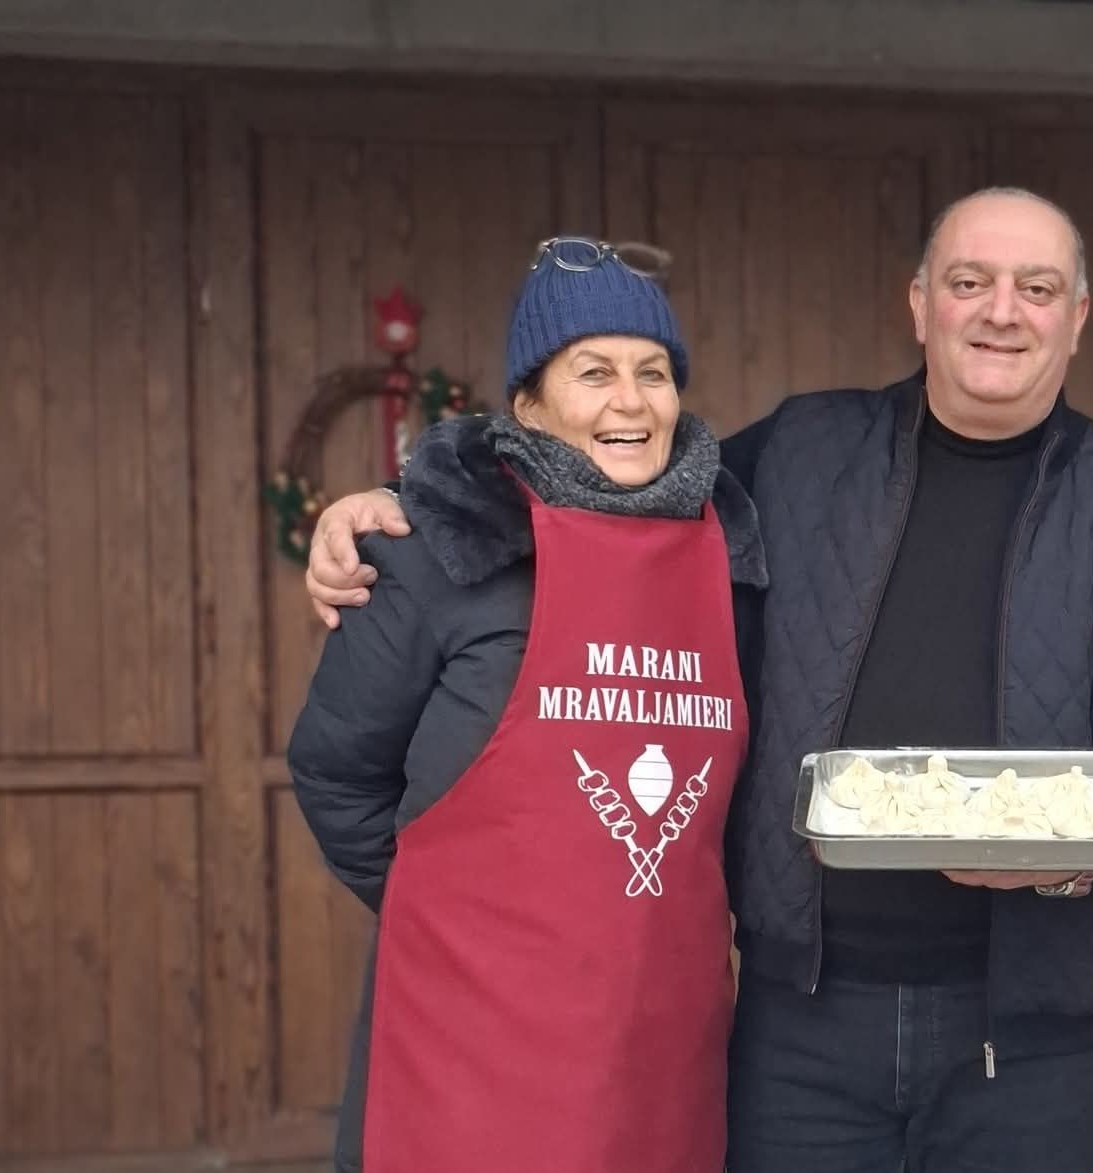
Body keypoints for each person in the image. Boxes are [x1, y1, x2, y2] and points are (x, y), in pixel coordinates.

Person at [303, 188, 1093, 1173]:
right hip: (804, 1024)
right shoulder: (799, 453)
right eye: (969, 281)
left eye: (1035, 288)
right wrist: (408, 503)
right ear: (919, 303)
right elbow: (610, 481)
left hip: (1030, 1038)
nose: (1001, 310)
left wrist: (1059, 858)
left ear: (1076, 317)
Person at [286, 237, 765, 1173]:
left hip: (660, 1046)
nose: (631, 401)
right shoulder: (434, 549)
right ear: (529, 405)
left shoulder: (734, 553)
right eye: (594, 372)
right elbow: (335, 770)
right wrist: (462, 921)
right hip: (470, 1043)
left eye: (653, 372)